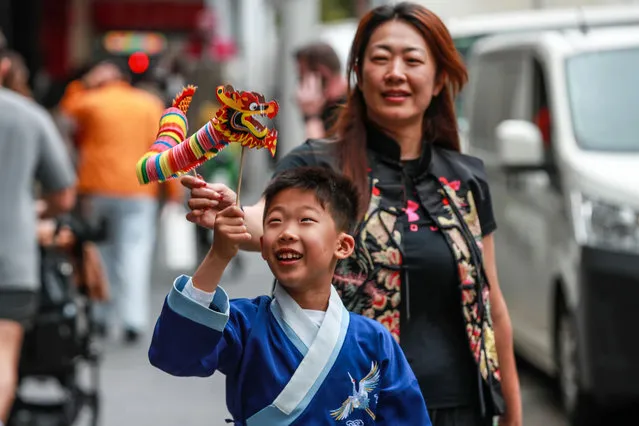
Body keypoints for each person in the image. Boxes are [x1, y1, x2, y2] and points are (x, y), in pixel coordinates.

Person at [182, 3, 523, 425]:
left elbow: (493, 303)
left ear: (438, 79)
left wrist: (512, 411)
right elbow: (264, 220)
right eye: (380, 58)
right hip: (354, 406)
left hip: (461, 409)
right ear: (359, 74)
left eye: (412, 60)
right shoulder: (317, 164)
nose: (395, 72)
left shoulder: (466, 179)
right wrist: (230, 213)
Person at [149, 167, 430, 425]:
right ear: (262, 245)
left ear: (342, 245)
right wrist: (218, 255)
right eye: (275, 221)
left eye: (305, 219)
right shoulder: (244, 325)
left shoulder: (373, 340)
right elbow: (175, 356)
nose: (286, 232)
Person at [58, 60, 183, 343]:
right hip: (140, 189)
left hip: (97, 188)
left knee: (101, 252)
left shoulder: (90, 100)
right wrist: (173, 191)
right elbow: (165, 145)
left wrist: (84, 82)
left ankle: (101, 316)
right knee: (134, 253)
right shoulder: (149, 103)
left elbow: (66, 111)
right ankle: (132, 320)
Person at [0, 48, 76, 426]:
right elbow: (63, 193)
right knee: (2, 356)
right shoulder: (29, 116)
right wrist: (30, 210)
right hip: (12, 258)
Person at [294, 41, 348, 138]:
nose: (301, 86)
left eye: (302, 77)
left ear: (322, 73)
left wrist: (311, 117)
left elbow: (320, 151)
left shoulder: (350, 110)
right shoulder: (327, 107)